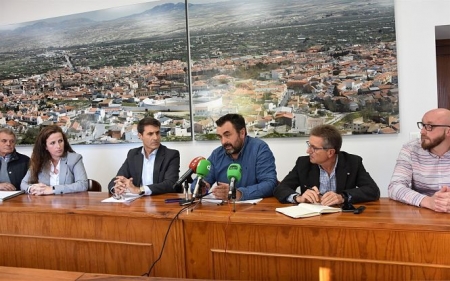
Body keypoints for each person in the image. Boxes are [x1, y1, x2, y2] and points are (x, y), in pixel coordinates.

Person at [274, 124, 379, 206]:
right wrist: (298, 197)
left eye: (314, 148)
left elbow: (373, 190)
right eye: (309, 145)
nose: (308, 151)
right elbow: (281, 188)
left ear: (330, 152)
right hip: (311, 218)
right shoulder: (303, 163)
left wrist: (343, 197)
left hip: (342, 219)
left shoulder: (353, 162)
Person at [193, 113, 278, 201]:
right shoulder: (217, 154)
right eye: (220, 137)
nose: (223, 142)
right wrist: (200, 188)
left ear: (242, 133)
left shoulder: (259, 149)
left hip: (255, 211)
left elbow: (270, 184)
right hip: (225, 210)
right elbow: (198, 183)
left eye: (227, 135)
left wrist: (240, 194)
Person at [388, 108, 450, 213]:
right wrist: (429, 202)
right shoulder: (411, 149)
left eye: (429, 126)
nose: (422, 131)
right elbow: (395, 187)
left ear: (448, 131)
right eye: (423, 125)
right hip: (423, 215)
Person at [108, 117, 180, 196]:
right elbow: (119, 178)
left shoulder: (171, 155)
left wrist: (140, 190)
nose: (155, 138)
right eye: (150, 134)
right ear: (140, 136)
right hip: (138, 202)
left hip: (161, 201)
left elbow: (171, 184)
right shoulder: (133, 154)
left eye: (157, 133)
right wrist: (117, 187)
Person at [20, 125, 88, 195]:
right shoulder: (39, 161)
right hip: (44, 204)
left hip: (68, 203)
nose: (58, 146)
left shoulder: (74, 159)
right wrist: (31, 188)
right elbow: (23, 184)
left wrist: (52, 189)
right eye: (53, 143)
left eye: (60, 141)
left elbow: (82, 185)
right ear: (45, 147)